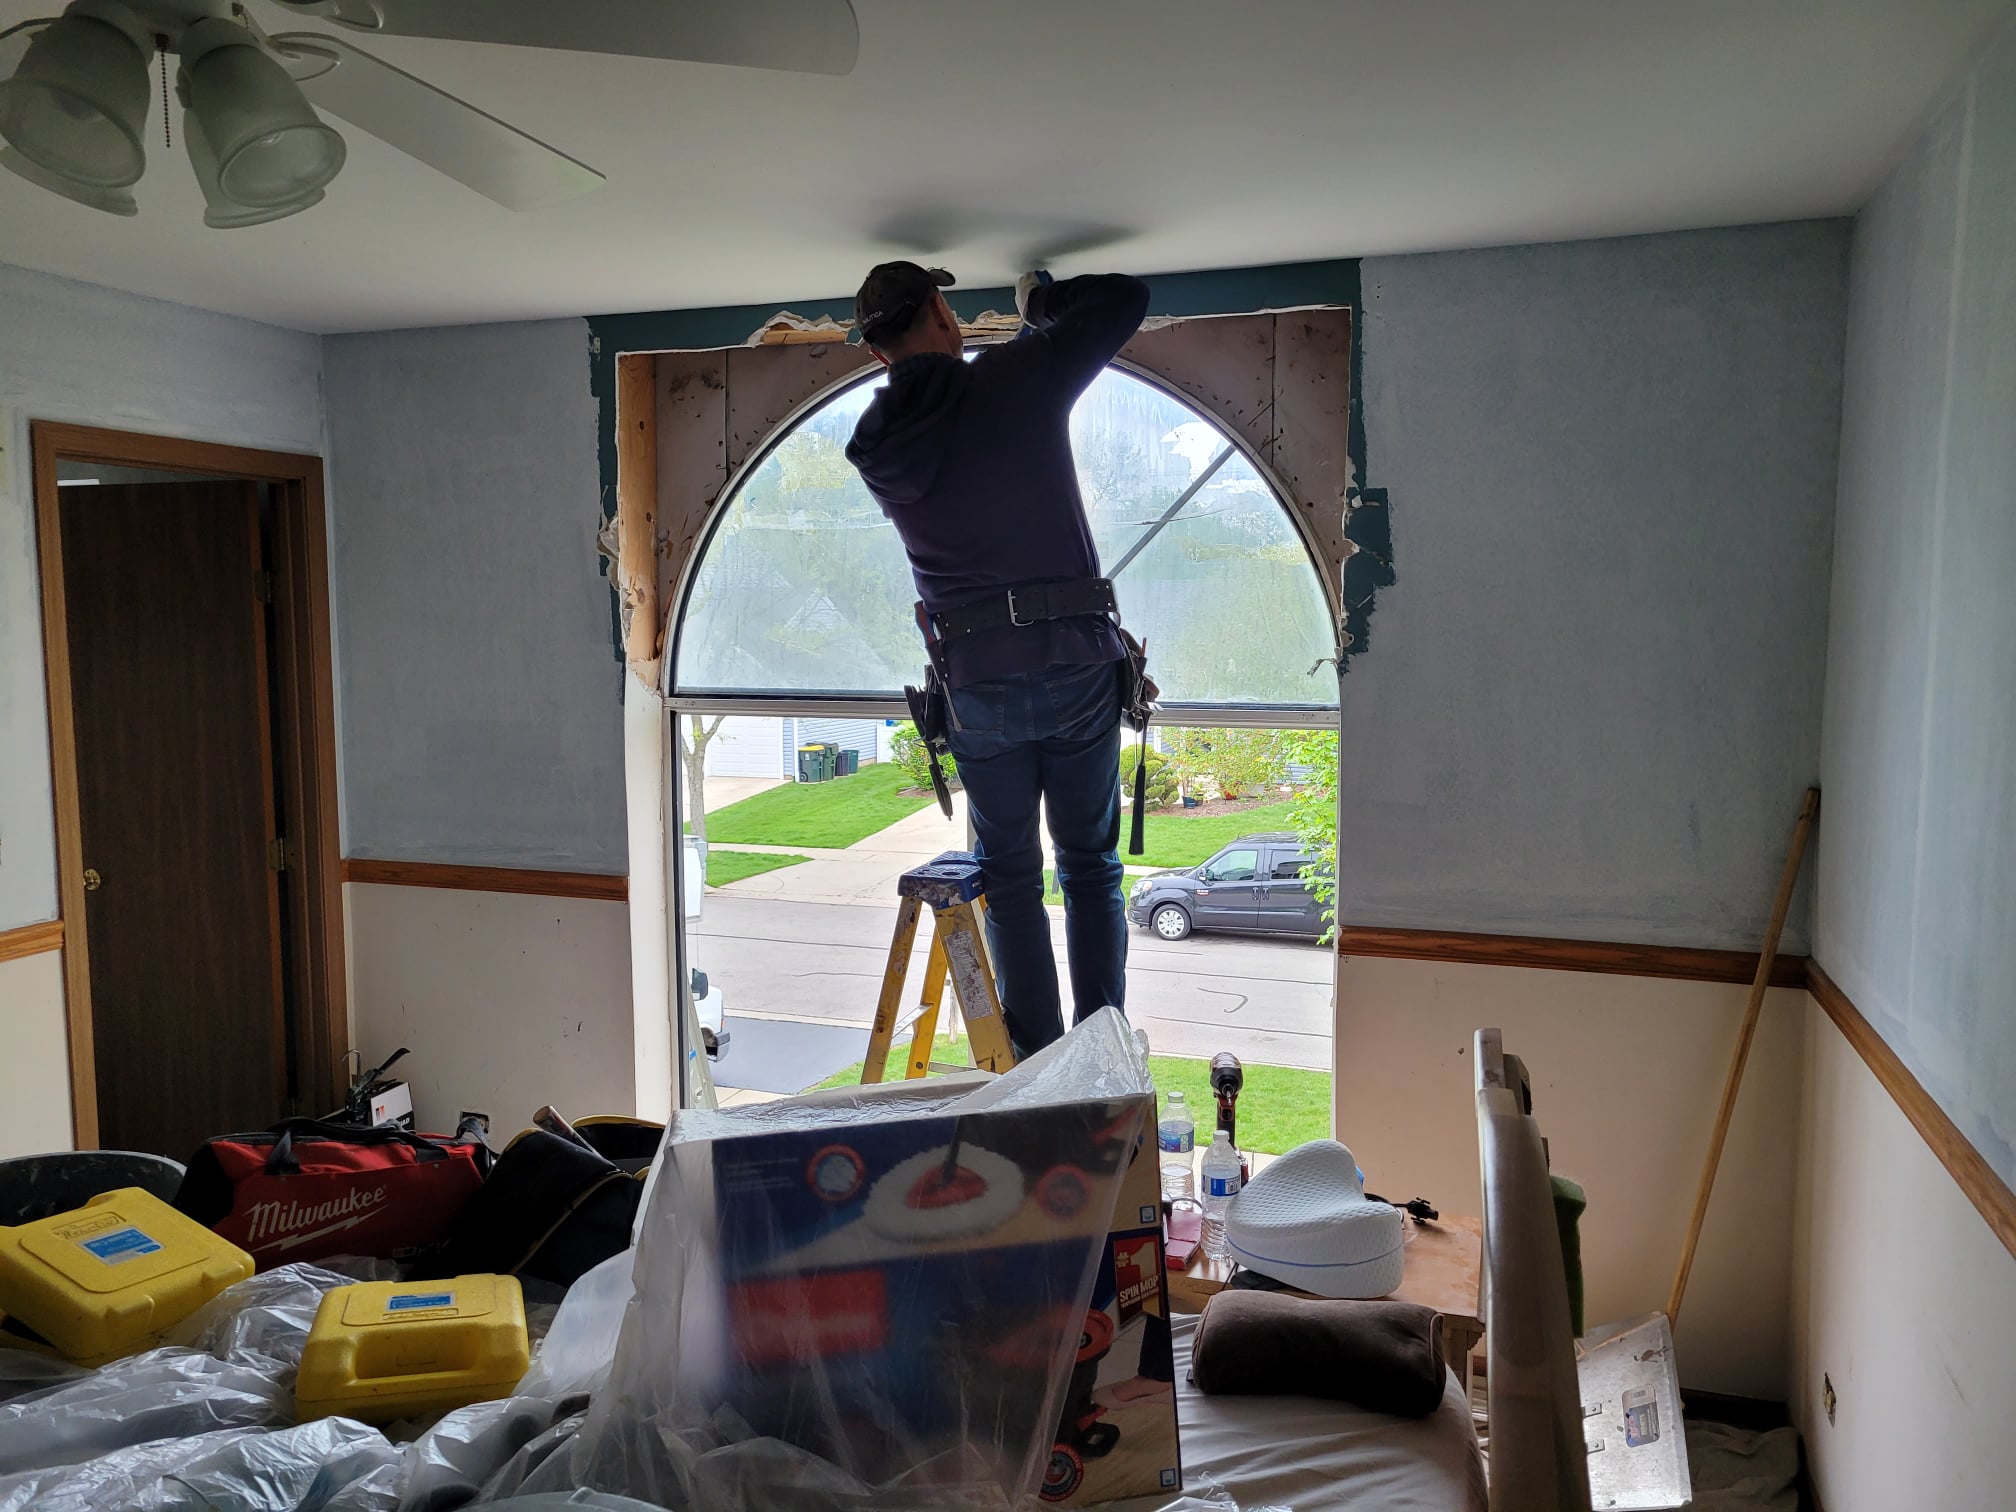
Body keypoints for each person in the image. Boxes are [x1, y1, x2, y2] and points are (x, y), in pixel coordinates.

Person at [845, 261, 1151, 1056]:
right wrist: (1038, 304)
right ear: (944, 313)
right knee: (1089, 868)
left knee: (1011, 880)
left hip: (977, 684)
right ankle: (1100, 1051)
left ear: (876, 352)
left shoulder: (876, 448)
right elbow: (1125, 299)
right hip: (1074, 660)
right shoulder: (1016, 379)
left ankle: (1038, 1064)